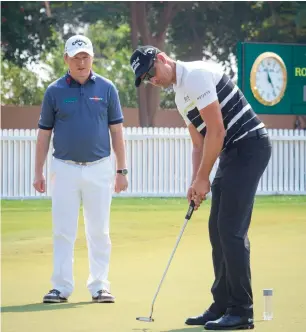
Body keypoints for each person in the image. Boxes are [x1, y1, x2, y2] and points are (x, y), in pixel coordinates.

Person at [129, 46, 271, 330]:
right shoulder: (180, 94)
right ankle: (221, 304)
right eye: (146, 79)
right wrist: (196, 181)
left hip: (250, 146)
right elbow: (199, 143)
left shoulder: (194, 76)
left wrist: (205, 178)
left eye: (151, 72)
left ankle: (242, 311)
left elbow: (217, 130)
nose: (151, 80)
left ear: (161, 58)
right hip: (232, 152)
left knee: (231, 230)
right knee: (216, 230)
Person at [33, 35, 128, 304]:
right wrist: (38, 172)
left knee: (99, 231)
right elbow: (44, 135)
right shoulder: (54, 91)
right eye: (76, 57)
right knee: (63, 230)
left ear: (92, 58)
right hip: (64, 168)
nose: (81, 61)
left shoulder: (107, 89)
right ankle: (61, 287)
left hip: (99, 168)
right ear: (66, 59)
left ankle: (100, 286)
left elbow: (117, 132)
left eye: (85, 56)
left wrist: (121, 171)